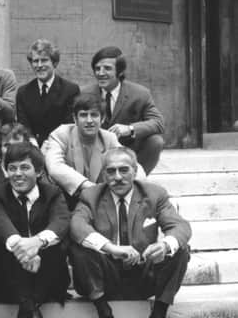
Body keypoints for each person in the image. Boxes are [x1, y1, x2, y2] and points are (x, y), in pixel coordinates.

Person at [69, 147, 191, 318]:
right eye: (111, 171)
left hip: (143, 275)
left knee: (179, 249)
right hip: (105, 276)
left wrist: (165, 245)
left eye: (124, 170)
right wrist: (111, 248)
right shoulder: (91, 196)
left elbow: (180, 226)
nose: (117, 177)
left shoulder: (154, 194)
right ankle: (105, 316)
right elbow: (76, 225)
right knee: (80, 247)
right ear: (103, 174)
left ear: (135, 171)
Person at [0, 143, 70, 318]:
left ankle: (25, 316)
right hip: (7, 276)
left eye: (25, 167)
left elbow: (61, 222)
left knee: (54, 244)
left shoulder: (53, 193)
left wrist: (37, 243)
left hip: (47, 275)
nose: (17, 174)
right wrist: (24, 250)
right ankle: (33, 315)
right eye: (12, 168)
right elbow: (1, 224)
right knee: (4, 247)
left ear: (39, 171)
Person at [82, 46, 164, 174]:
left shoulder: (140, 93)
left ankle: (137, 180)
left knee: (155, 141)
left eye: (107, 68)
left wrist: (130, 129)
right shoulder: (84, 93)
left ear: (120, 72)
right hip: (94, 151)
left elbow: (158, 122)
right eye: (97, 69)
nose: (101, 73)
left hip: (128, 151)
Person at [43, 93, 123, 208]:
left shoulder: (109, 138)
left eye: (94, 115)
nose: (89, 120)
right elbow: (55, 167)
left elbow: (130, 163)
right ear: (75, 119)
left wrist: (140, 184)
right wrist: (89, 187)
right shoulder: (61, 134)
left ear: (103, 119)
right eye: (84, 115)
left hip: (99, 202)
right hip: (65, 200)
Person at [16, 39, 80, 147]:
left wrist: (50, 144)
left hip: (60, 146)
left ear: (54, 63)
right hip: (32, 146)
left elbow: (69, 126)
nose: (39, 65)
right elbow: (24, 126)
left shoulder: (70, 90)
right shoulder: (23, 92)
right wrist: (32, 143)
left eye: (44, 60)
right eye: (35, 61)